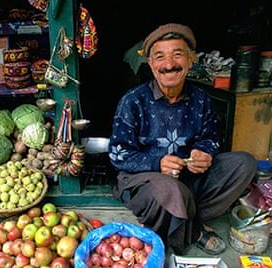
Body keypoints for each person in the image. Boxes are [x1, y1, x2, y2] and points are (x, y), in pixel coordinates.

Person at [108, 23, 256, 255]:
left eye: (177, 55)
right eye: (160, 57)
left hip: (189, 178)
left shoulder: (201, 99)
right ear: (150, 63)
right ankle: (194, 230)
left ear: (191, 60)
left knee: (244, 163)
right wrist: (158, 162)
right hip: (147, 181)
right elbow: (118, 154)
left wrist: (204, 153)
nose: (169, 65)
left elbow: (212, 138)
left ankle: (182, 216)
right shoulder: (133, 101)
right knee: (169, 189)